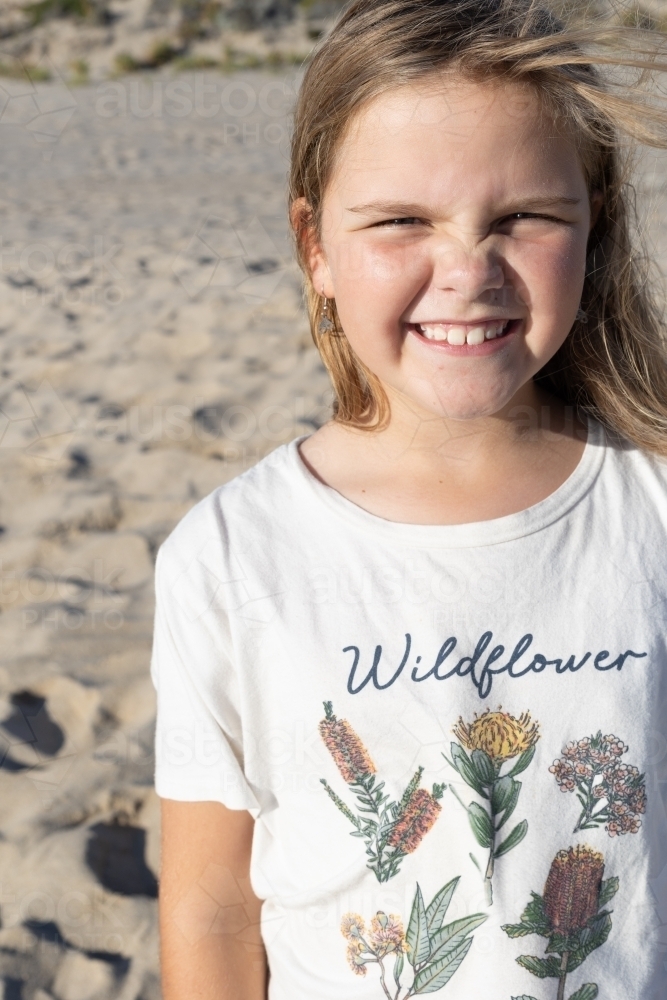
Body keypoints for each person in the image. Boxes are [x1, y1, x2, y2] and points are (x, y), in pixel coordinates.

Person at [151, 2, 667, 998]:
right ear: (315, 245)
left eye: (524, 217)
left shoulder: (650, 504)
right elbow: (212, 903)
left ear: (592, 225)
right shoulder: (230, 554)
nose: (469, 273)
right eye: (399, 222)